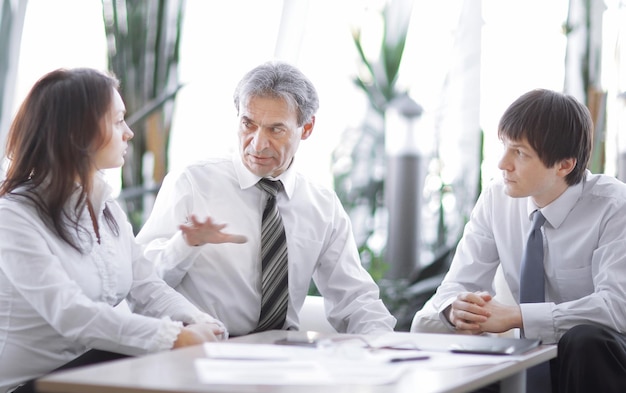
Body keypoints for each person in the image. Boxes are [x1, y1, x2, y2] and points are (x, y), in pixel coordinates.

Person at [0, 68, 229, 393]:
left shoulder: (106, 208)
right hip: (29, 384)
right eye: (119, 119)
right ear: (78, 132)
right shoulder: (12, 216)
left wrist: (198, 320)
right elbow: (69, 313)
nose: (129, 133)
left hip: (90, 374)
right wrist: (173, 336)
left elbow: (147, 286)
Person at [136, 61, 396, 336]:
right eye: (248, 124)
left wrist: (386, 347)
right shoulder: (191, 183)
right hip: (206, 349)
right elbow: (141, 285)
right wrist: (184, 244)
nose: (257, 143)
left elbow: (355, 298)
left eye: (276, 129)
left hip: (283, 356)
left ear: (306, 128)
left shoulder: (322, 206)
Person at [410, 88, 626, 393]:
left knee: (585, 340)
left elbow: (617, 307)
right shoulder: (497, 199)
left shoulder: (614, 205)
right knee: (462, 346)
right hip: (529, 355)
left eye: (520, 153)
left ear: (564, 165)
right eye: (505, 147)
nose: (502, 164)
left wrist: (517, 316)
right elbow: (457, 285)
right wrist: (455, 308)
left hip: (596, 360)